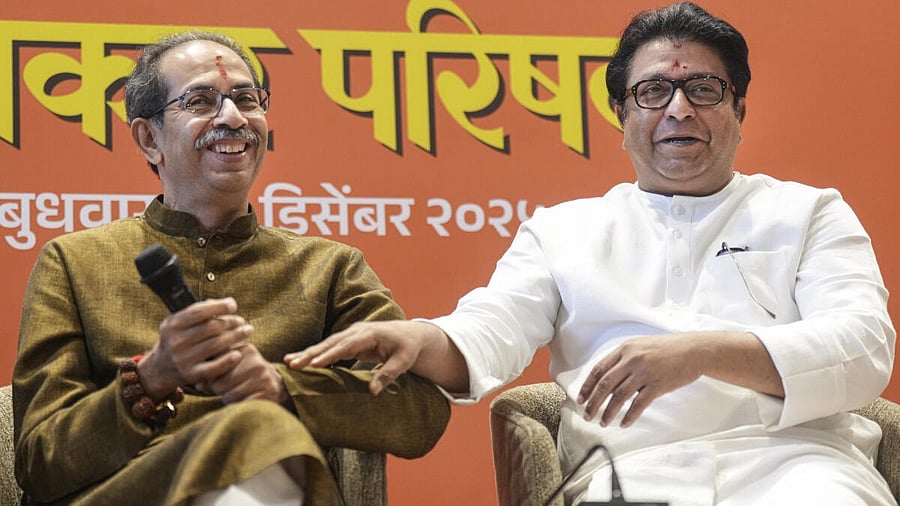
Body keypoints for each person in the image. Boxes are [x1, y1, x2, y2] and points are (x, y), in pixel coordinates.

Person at [287, 3, 897, 505]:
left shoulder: (810, 211)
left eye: (703, 89)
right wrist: (425, 339)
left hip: (800, 469)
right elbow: (492, 327)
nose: (678, 109)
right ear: (622, 117)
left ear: (739, 109)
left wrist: (705, 352)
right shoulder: (565, 231)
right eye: (653, 92)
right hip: (629, 473)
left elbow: (864, 347)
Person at [12, 31, 450, 506]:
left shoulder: (330, 268)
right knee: (252, 426)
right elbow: (38, 462)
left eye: (246, 98)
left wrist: (285, 388)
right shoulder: (74, 263)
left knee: (259, 425)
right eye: (200, 101)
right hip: (135, 492)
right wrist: (151, 379)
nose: (234, 117)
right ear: (148, 138)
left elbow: (420, 412)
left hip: (279, 478)